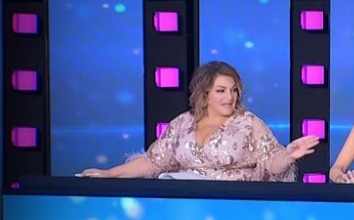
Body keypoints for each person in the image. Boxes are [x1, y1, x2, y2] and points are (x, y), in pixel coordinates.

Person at [79, 61, 318, 181]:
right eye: (221, 91)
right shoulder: (182, 123)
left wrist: (287, 156)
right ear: (205, 93)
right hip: (187, 208)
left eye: (234, 90)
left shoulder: (249, 123)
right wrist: (109, 173)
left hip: (234, 207)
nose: (230, 97)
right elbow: (152, 163)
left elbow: (271, 164)